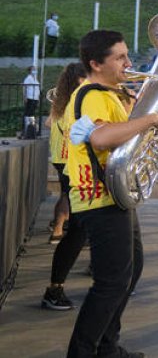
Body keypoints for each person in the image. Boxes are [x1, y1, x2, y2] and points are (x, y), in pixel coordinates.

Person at [62, 29, 158, 356]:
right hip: (98, 197)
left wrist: (143, 110)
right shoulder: (91, 94)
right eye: (120, 57)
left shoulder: (109, 93)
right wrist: (152, 118)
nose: (129, 63)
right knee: (111, 283)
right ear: (95, 64)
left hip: (115, 194)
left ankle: (107, 347)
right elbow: (100, 138)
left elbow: (128, 137)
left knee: (129, 272)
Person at [41, 62, 88, 312]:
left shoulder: (64, 102)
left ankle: (59, 228)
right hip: (72, 164)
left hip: (68, 163)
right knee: (77, 223)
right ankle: (58, 229)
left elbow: (50, 124)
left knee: (80, 224)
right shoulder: (75, 104)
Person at [23, 66, 40, 132]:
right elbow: (25, 88)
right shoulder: (28, 78)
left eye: (35, 69)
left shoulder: (35, 79)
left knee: (32, 113)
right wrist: (25, 97)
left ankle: (31, 127)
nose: (35, 70)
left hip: (35, 98)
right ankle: (27, 126)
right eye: (33, 69)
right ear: (30, 71)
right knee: (28, 112)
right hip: (30, 97)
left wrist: (38, 99)